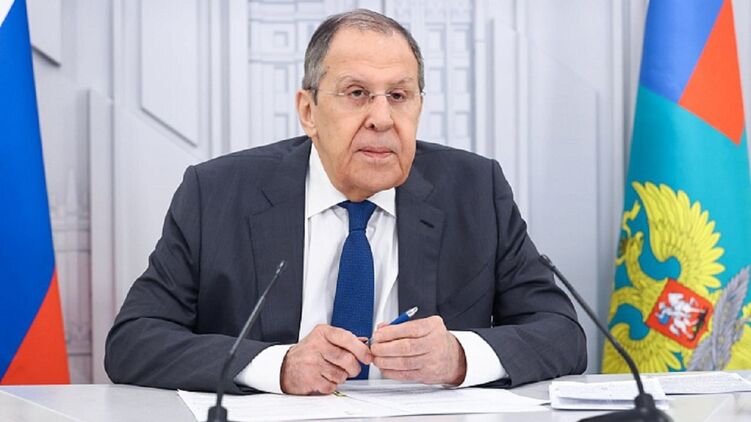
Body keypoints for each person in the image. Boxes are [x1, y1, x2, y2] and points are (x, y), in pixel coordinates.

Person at [105, 9, 586, 396]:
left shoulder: (475, 190)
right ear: (309, 111)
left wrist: (459, 356)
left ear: (419, 106)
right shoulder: (217, 192)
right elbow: (133, 342)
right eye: (357, 93)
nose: (382, 118)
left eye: (399, 95)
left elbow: (563, 334)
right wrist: (278, 366)